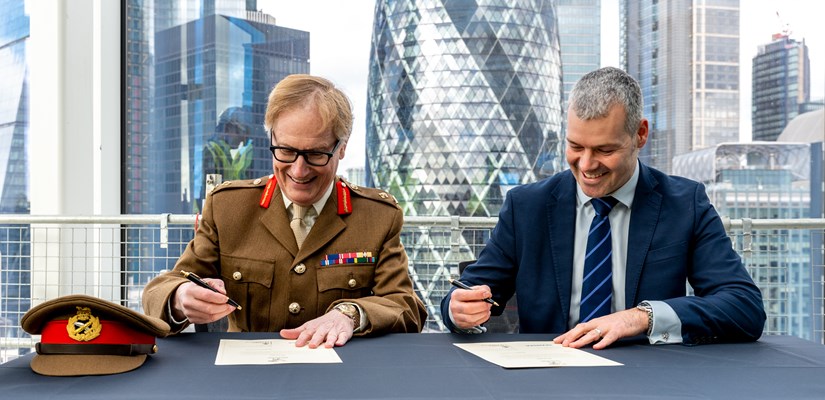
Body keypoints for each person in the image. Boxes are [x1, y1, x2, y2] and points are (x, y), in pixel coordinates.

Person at [440, 67, 766, 349]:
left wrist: (643, 316)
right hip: (547, 375)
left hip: (650, 378)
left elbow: (743, 306)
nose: (586, 165)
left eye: (604, 149)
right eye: (575, 146)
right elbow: (471, 292)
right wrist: (459, 311)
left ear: (640, 134)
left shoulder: (684, 203)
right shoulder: (527, 206)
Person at [143, 74, 427, 348]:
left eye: (316, 154)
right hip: (248, 376)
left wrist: (351, 315)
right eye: (286, 151)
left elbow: (406, 308)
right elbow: (158, 293)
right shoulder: (228, 207)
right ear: (271, 141)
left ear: (341, 148)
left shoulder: (377, 215)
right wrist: (180, 298)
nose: (299, 170)